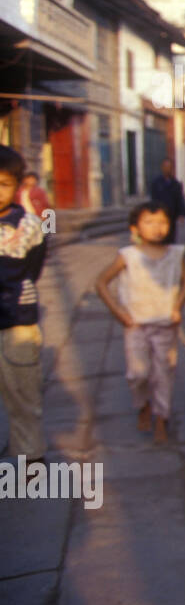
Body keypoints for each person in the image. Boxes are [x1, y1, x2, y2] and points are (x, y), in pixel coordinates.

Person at [94, 203, 185, 444]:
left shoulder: (176, 254)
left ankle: (162, 418)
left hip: (165, 324)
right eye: (149, 222)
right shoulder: (128, 255)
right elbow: (101, 283)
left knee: (164, 373)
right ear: (135, 228)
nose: (157, 228)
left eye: (162, 222)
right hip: (136, 325)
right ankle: (143, 404)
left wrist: (177, 307)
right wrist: (119, 313)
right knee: (137, 374)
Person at [0, 147, 47, 465]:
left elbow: (34, 267)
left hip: (17, 322)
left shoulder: (29, 224)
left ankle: (29, 459)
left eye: (2, 183)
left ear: (17, 186)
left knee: (23, 396)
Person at [148, 159, 185, 244]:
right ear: (162, 168)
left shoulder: (176, 184)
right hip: (160, 213)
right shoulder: (156, 183)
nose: (167, 169)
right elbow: (153, 198)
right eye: (165, 167)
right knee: (161, 235)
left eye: (169, 167)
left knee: (171, 235)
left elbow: (180, 199)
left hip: (172, 213)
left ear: (172, 168)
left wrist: (181, 213)